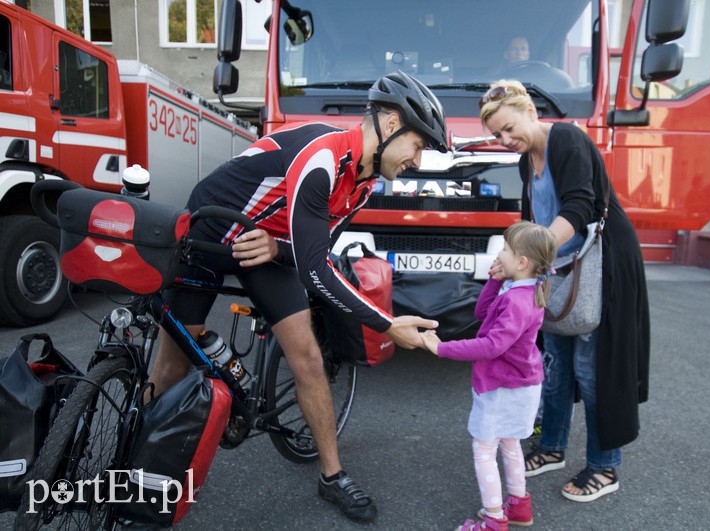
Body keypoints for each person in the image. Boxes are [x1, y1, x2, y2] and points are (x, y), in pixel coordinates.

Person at [148, 71, 447, 523]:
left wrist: (274, 247)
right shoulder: (323, 158)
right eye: (419, 145)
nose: (418, 161)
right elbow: (316, 269)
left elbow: (312, 251)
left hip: (268, 248)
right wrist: (386, 323)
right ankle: (134, 466)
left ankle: (332, 474)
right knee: (172, 364)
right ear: (390, 125)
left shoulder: (363, 183)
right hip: (210, 236)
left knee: (306, 354)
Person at [478, 80, 650, 503]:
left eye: (508, 128)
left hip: (600, 266)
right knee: (554, 368)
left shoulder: (567, 139)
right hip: (558, 266)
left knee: (593, 374)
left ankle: (604, 466)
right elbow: (530, 220)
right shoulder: (526, 160)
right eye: (497, 135)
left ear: (531, 112)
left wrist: (529, 258)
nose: (505, 140)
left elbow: (578, 208)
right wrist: (513, 257)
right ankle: (552, 446)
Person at [421, 221, 558, 531]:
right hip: (520, 383)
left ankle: (494, 518)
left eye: (506, 249)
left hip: (502, 386)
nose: (500, 253)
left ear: (522, 262)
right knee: (510, 444)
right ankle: (519, 506)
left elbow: (491, 345)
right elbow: (482, 313)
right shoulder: (522, 289)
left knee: (484, 448)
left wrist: (441, 348)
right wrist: (495, 280)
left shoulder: (516, 300)